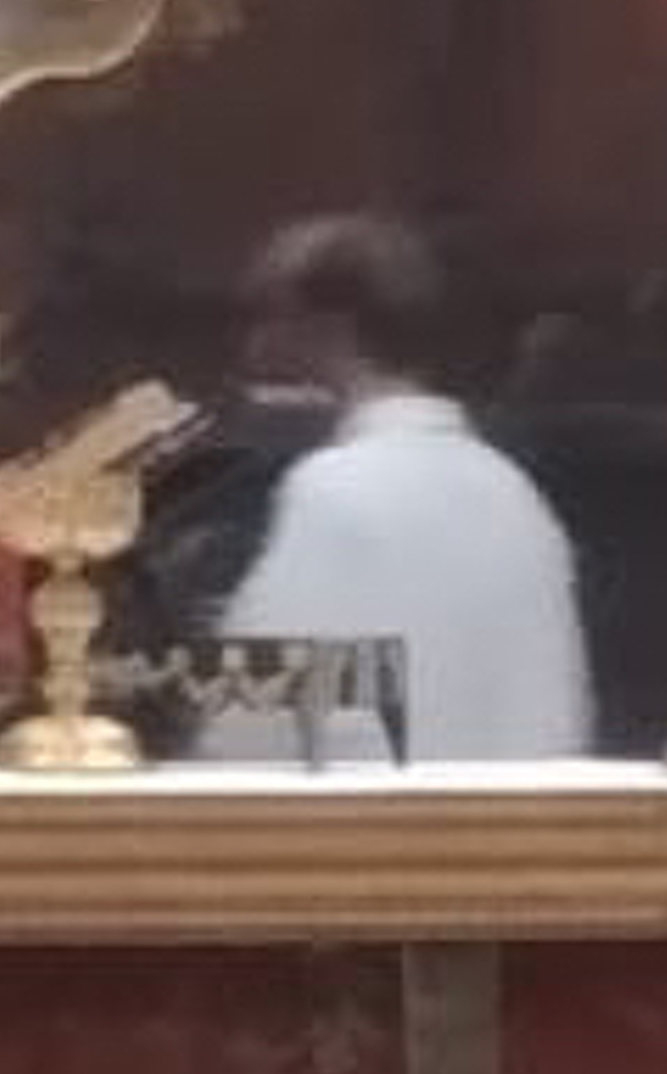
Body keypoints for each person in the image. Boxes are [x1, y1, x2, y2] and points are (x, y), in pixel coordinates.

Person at [218, 213, 590, 762]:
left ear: (329, 329)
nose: (254, 349)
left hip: (384, 810)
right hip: (516, 811)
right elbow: (559, 710)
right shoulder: (513, 492)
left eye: (270, 319)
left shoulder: (334, 491)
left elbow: (260, 718)